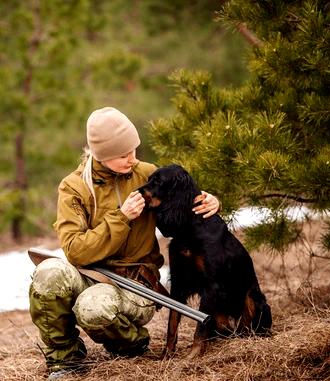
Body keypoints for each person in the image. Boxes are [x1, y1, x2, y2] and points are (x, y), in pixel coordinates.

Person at [28, 107, 220, 380]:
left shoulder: (147, 174)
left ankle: (132, 343)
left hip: (138, 283)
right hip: (91, 274)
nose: (132, 159)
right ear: (101, 154)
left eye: (134, 150)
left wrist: (211, 202)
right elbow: (75, 251)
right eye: (123, 155)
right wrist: (122, 218)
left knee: (94, 307)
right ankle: (65, 359)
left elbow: (180, 214)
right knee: (48, 274)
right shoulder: (74, 187)